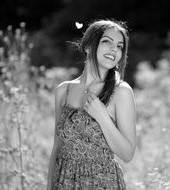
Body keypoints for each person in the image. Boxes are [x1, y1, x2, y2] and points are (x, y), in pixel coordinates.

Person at [47, 19, 136, 190]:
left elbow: (127, 154)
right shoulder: (63, 90)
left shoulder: (121, 92)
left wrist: (102, 116)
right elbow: (57, 146)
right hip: (64, 182)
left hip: (102, 183)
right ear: (88, 46)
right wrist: (49, 186)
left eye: (119, 46)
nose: (114, 49)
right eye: (106, 42)